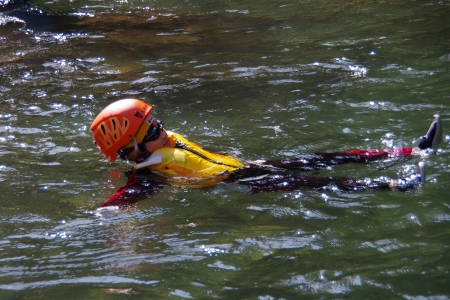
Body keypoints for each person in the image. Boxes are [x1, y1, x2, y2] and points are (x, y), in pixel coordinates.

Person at [90, 98, 442, 207]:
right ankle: (400, 186)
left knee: (322, 158)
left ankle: (410, 150)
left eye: (158, 121)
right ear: (131, 151)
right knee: (319, 182)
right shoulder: (150, 177)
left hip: (245, 166)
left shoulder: (163, 146)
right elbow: (113, 207)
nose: (162, 131)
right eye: (151, 130)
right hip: (238, 183)